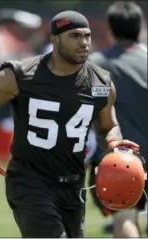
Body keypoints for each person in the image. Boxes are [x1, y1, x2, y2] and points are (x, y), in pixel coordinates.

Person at [0, 11, 140, 238]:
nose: (84, 42)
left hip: (73, 185)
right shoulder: (21, 74)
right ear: (55, 39)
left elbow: (107, 125)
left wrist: (114, 144)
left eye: (87, 35)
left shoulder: (100, 82)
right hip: (30, 183)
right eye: (75, 36)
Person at [88, 2, 148, 237]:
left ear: (110, 29)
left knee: (125, 217)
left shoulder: (95, 64)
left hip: (115, 159)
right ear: (139, 26)